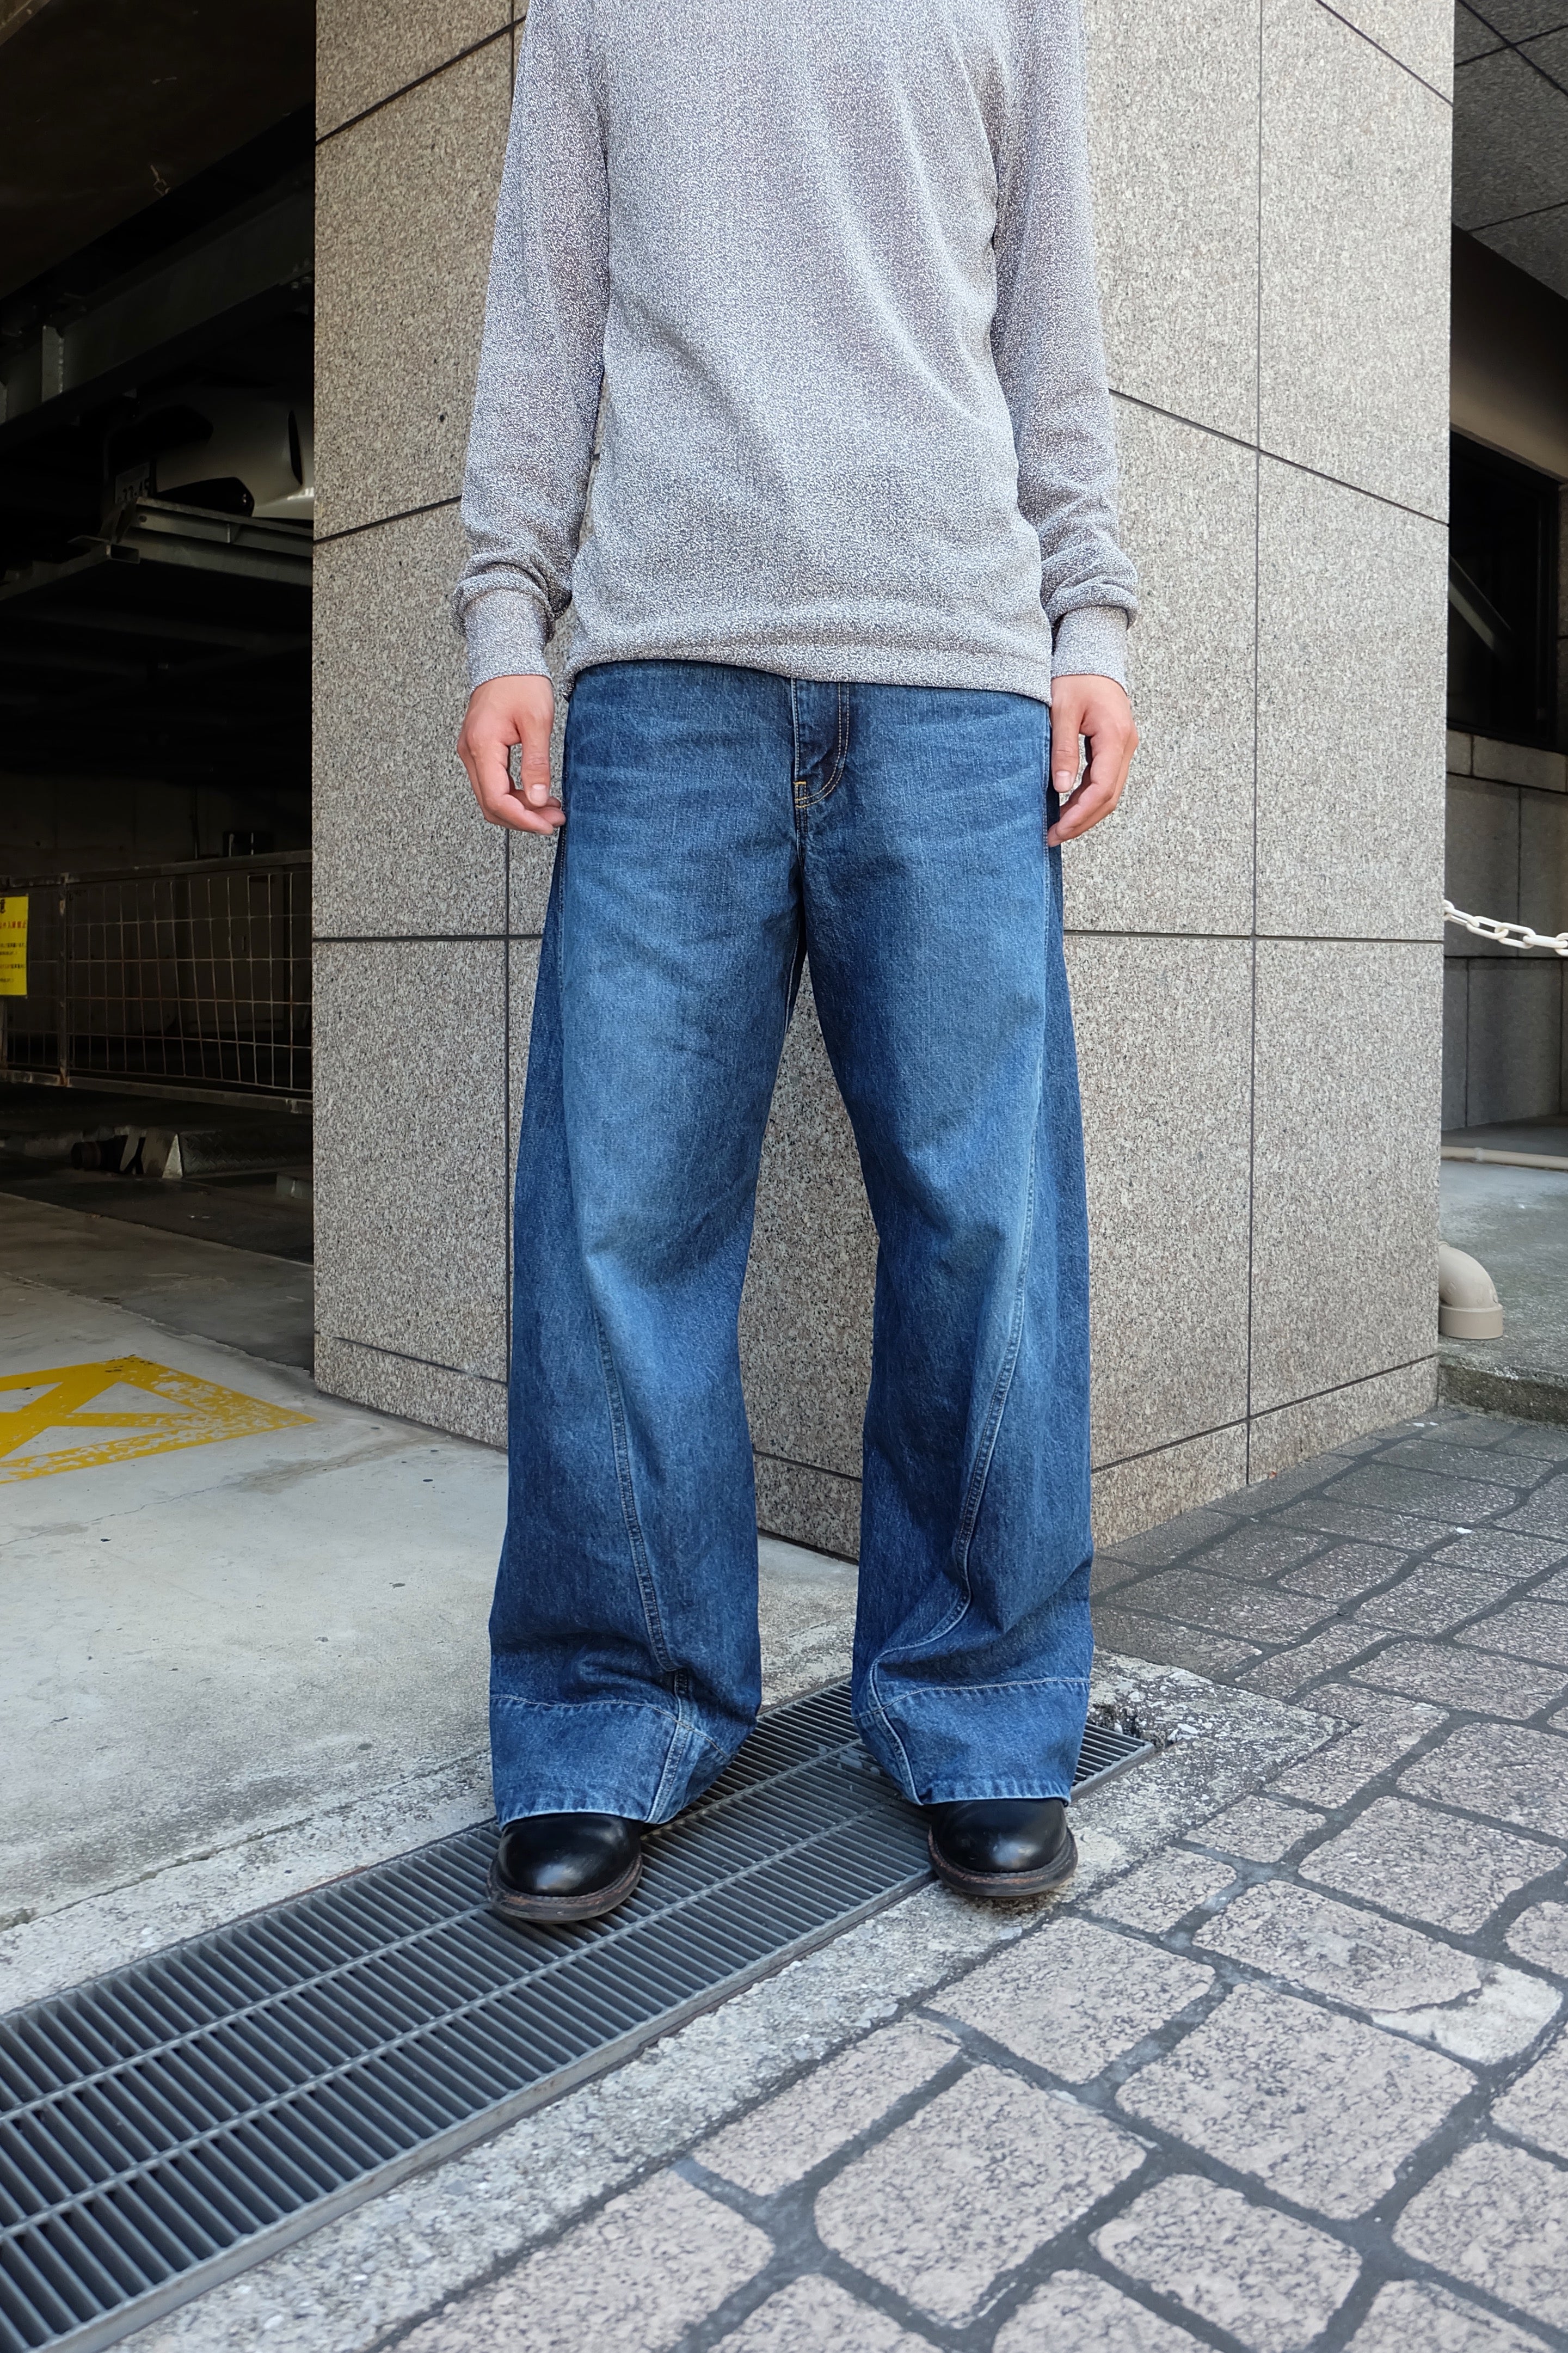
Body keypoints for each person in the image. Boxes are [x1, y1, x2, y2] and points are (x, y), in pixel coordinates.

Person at [454, 0, 1138, 1922]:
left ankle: (981, 1708)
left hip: (957, 677)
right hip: (662, 669)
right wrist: (505, 613)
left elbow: (1051, 320)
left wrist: (1091, 618)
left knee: (985, 1219)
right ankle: (609, 1714)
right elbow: (543, 307)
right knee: (615, 1218)